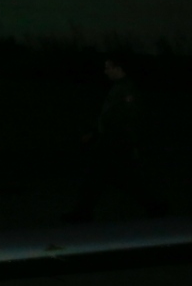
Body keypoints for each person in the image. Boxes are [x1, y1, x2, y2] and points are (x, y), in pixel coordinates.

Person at [64, 53, 167, 222]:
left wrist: (130, 142)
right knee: (119, 178)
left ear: (118, 68)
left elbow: (131, 117)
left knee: (97, 176)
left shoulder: (126, 89)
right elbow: (109, 116)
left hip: (115, 142)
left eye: (108, 67)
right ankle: (154, 206)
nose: (105, 71)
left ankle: (82, 213)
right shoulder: (118, 88)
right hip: (111, 141)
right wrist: (94, 133)